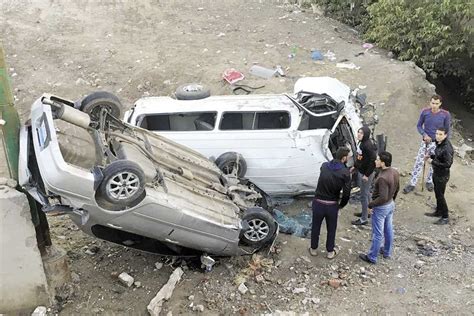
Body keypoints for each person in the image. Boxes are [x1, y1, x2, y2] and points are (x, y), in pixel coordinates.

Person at [309, 147, 351, 259]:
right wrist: (341, 205)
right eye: (348, 156)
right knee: (331, 229)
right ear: (344, 158)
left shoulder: (324, 166)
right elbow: (347, 193)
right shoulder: (345, 173)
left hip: (318, 202)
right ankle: (330, 251)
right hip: (332, 205)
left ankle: (313, 248)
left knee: (315, 227)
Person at [403, 95, 451, 194]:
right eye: (433, 103)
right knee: (419, 162)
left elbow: (447, 130)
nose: (434, 105)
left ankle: (429, 181)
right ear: (430, 102)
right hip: (426, 142)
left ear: (440, 104)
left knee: (434, 162)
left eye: (437, 103)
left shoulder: (445, 114)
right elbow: (419, 126)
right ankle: (412, 183)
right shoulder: (425, 112)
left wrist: (444, 142)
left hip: (438, 143)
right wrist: (424, 135)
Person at [359, 151, 400, 264]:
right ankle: (387, 251)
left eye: (377, 160)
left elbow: (382, 197)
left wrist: (370, 204)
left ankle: (372, 257)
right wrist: (392, 200)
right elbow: (397, 188)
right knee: (388, 229)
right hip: (390, 204)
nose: (375, 161)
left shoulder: (382, 178)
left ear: (382, 163)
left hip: (381, 207)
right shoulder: (395, 172)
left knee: (377, 233)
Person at [424, 128, 454, 225]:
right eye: (437, 133)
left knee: (440, 196)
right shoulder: (439, 143)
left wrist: (433, 162)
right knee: (438, 194)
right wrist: (431, 156)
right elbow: (439, 156)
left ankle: (445, 216)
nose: (437, 136)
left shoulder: (447, 148)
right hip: (437, 173)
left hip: (442, 175)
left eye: (440, 134)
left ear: (445, 135)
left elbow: (448, 163)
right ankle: (439, 211)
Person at [351, 126, 377, 226]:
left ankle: (364, 218)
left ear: (365, 134)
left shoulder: (367, 145)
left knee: (363, 195)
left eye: (361, 133)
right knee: (366, 193)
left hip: (367, 173)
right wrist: (355, 166)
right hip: (362, 171)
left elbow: (373, 161)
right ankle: (369, 211)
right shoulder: (361, 143)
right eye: (358, 132)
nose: (359, 134)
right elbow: (360, 157)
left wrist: (366, 175)